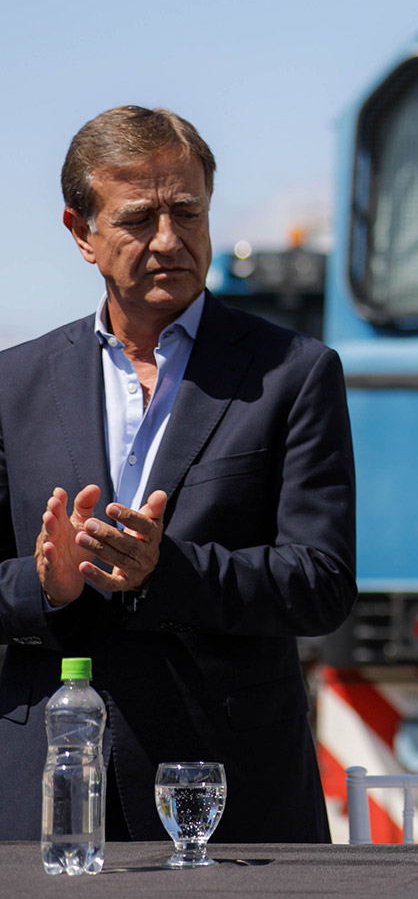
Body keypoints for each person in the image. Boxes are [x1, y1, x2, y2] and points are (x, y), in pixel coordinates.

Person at [0, 106, 356, 842]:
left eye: (187, 212)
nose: (169, 240)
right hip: (45, 798)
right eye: (138, 220)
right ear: (80, 233)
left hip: (226, 792)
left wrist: (167, 571)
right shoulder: (14, 384)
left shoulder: (293, 373)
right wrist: (48, 586)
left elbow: (321, 582)